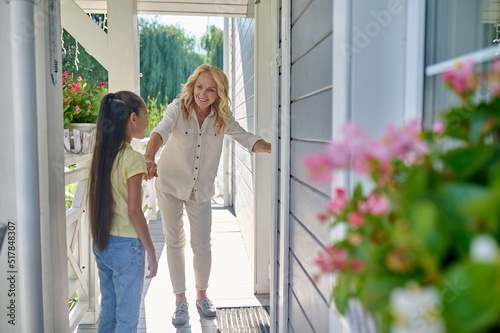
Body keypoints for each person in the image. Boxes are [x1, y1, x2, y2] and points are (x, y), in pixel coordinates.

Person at [144, 64, 271, 327]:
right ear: (192, 86)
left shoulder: (223, 118)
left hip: (200, 190)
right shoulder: (178, 109)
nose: (203, 93)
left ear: (219, 93)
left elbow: (248, 140)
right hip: (169, 184)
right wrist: (148, 157)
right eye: (199, 87)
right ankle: (180, 301)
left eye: (210, 89)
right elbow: (159, 132)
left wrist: (277, 148)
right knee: (175, 241)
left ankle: (202, 295)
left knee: (202, 244)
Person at [88, 91, 158, 332]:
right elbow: (135, 213)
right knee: (128, 318)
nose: (148, 121)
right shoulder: (132, 158)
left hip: (102, 243)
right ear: (132, 118)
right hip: (127, 247)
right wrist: (151, 250)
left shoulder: (103, 156)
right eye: (145, 116)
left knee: (109, 306)